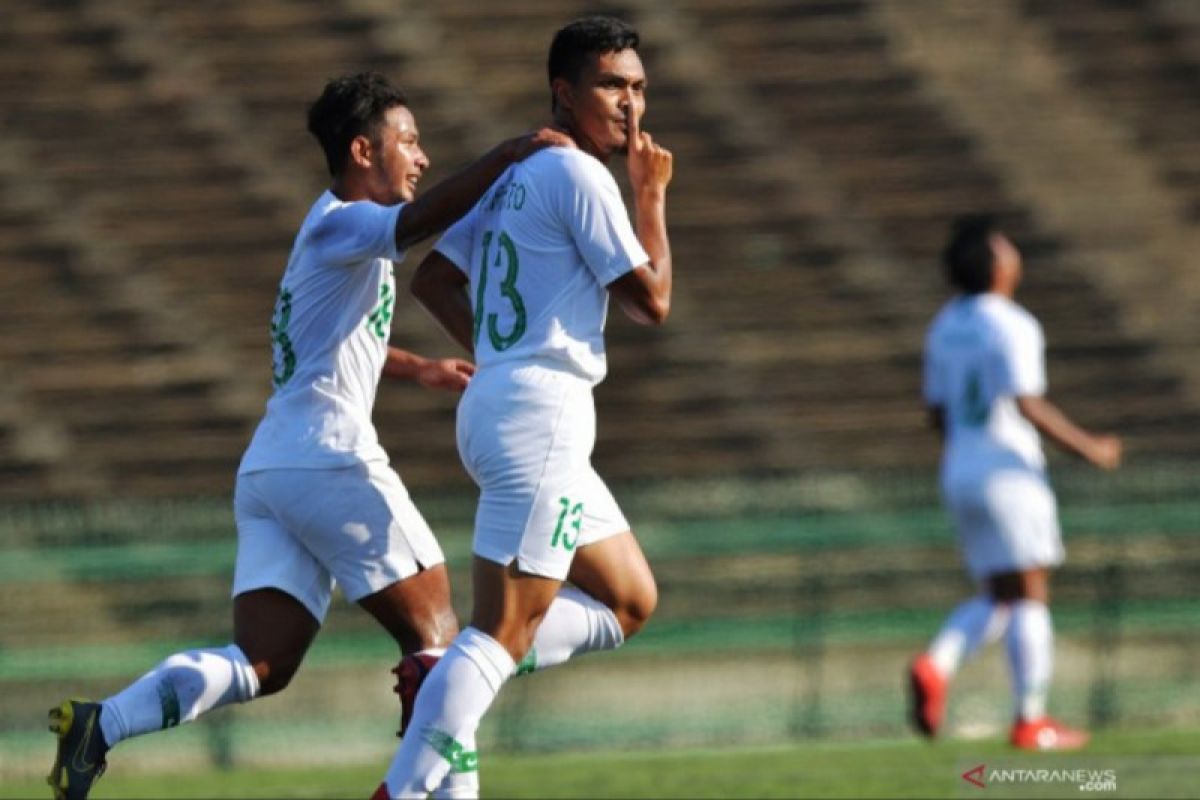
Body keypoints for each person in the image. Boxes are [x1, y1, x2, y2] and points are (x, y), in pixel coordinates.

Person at [46, 71, 571, 800]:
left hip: (273, 468)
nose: (421, 157)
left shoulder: (326, 237)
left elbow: (334, 341)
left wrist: (418, 368)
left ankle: (100, 724)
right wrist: (508, 154)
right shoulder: (346, 223)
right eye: (408, 142)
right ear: (362, 150)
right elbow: (412, 229)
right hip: (328, 456)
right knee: (442, 643)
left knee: (263, 660)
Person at [374, 16, 674, 798]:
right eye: (612, 85)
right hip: (541, 413)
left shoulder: (521, 173)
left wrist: (502, 354)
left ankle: (449, 670)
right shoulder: (578, 174)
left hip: (511, 405)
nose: (630, 104)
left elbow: (435, 279)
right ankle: (404, 784)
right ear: (564, 91)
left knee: (629, 599)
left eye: (639, 87)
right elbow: (652, 301)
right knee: (501, 634)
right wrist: (650, 196)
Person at [909, 215, 1122, 751]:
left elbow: (936, 413)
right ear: (995, 263)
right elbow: (1027, 403)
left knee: (999, 595)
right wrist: (1090, 446)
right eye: (1006, 249)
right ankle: (1031, 719)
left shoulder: (944, 325)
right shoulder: (1013, 323)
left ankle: (937, 664)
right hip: (1007, 469)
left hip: (960, 467)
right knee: (1029, 594)